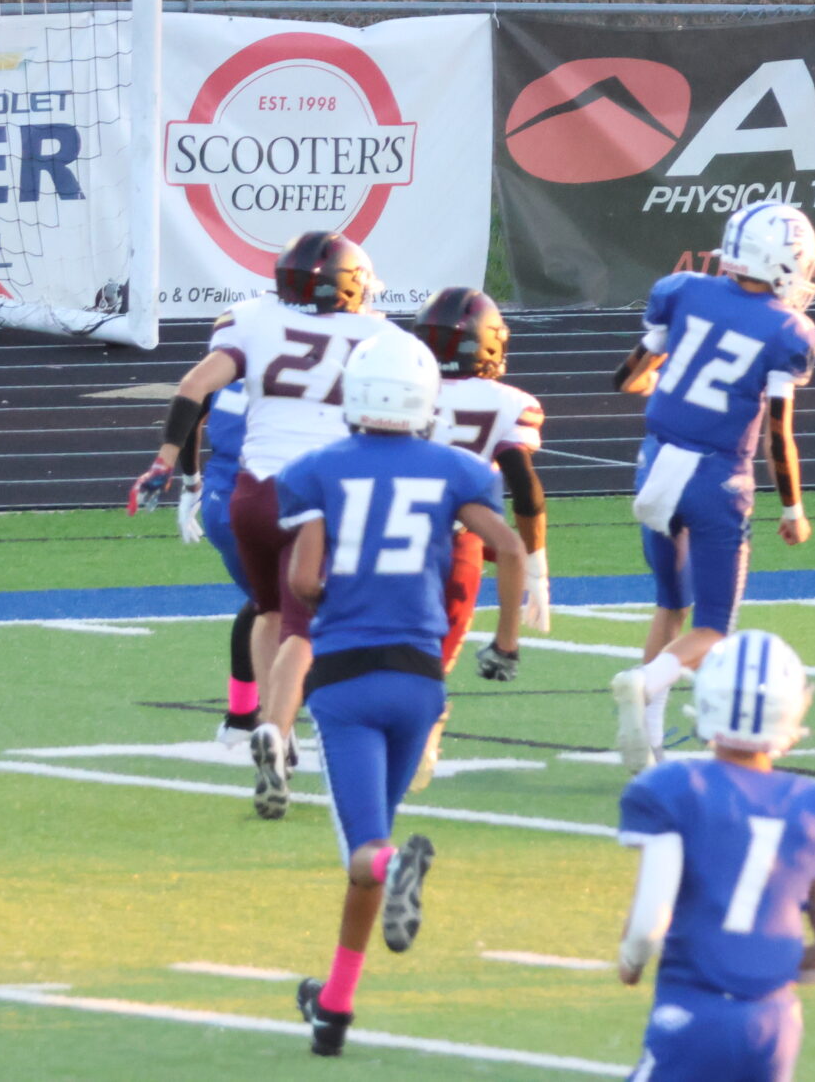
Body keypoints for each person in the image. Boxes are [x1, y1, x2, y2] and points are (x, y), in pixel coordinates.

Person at [280, 330, 527, 1058]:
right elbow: (510, 547)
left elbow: (302, 580)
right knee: (373, 842)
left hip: (347, 680)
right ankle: (334, 1006)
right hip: (420, 679)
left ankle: (396, 869)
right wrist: (506, 643)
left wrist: (336, 593)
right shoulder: (455, 469)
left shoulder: (317, 468)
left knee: (369, 854)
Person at [127, 231, 403, 817]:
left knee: (268, 608)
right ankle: (276, 731)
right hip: (319, 493)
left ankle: (266, 723)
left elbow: (193, 387)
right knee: (305, 625)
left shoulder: (252, 317)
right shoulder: (383, 338)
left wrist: (167, 464)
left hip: (250, 492)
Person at [606, 202, 815, 773]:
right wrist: (793, 508)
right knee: (712, 627)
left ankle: (649, 739)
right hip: (715, 479)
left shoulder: (682, 290)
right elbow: (778, 434)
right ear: (783, 262)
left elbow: (628, 377)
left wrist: (663, 386)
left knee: (670, 604)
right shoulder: (788, 331)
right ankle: (646, 681)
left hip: (654, 467)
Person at [616, 629, 815, 1082]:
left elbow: (649, 926)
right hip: (775, 1025)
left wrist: (631, 962)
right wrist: (761, 972)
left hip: (691, 1009)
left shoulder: (674, 788)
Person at [413, 286, 551, 789]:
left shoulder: (400, 384)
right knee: (437, 650)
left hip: (388, 522)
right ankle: (426, 726)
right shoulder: (508, 402)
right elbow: (524, 489)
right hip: (459, 538)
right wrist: (537, 568)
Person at [166, 377, 262, 747]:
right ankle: (276, 721)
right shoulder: (320, 367)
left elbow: (190, 408)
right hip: (275, 498)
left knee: (264, 605)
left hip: (222, 503)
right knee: (299, 608)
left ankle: (242, 716)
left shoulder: (226, 364)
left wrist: (192, 483)